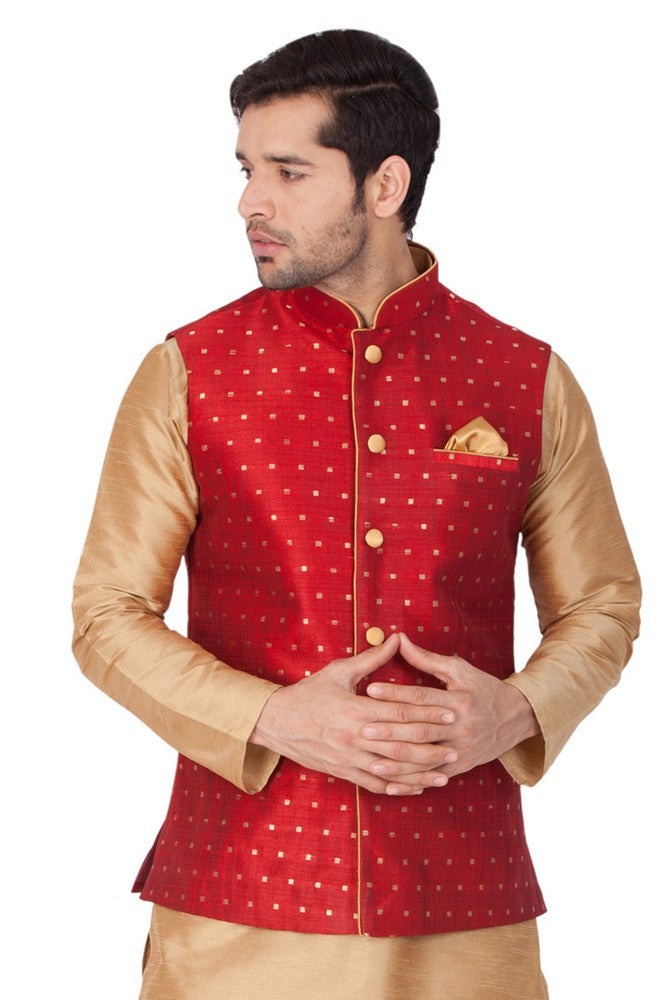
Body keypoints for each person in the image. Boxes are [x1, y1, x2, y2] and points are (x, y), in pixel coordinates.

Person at [72, 28, 641, 1000]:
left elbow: (604, 604)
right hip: (240, 909)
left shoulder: (526, 377)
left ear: (385, 185)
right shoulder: (187, 374)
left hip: (466, 909)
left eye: (289, 172)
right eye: (247, 169)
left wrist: (514, 710)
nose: (250, 201)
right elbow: (106, 616)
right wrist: (272, 717)